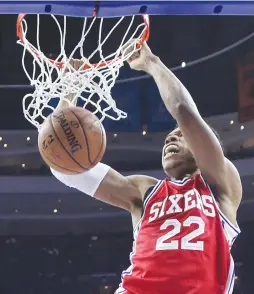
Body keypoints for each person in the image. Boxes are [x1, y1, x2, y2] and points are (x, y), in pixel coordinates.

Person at [51, 42, 242, 294]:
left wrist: (152, 63)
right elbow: (66, 169)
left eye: (179, 135)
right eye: (168, 138)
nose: (170, 139)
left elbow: (184, 112)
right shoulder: (144, 191)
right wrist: (70, 89)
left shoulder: (220, 184)